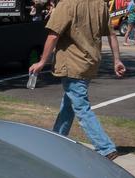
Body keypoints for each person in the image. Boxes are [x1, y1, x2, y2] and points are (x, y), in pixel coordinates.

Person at [29, 0, 127, 160]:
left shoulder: (67, 4)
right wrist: (117, 60)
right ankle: (57, 139)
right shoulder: (100, 4)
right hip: (90, 63)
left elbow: (53, 35)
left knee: (81, 107)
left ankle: (105, 147)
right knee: (68, 105)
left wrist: (42, 62)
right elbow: (112, 34)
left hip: (72, 64)